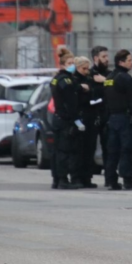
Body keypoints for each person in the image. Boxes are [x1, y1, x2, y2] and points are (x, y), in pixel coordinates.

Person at [104, 49, 132, 191]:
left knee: (113, 151)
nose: (131, 63)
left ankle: (111, 181)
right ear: (121, 62)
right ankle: (128, 180)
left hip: (112, 119)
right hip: (124, 119)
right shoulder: (126, 79)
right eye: (129, 60)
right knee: (126, 150)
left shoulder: (109, 78)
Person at [50, 48, 86, 190]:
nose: (72, 65)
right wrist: (76, 120)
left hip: (58, 119)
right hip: (66, 120)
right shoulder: (66, 80)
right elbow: (70, 103)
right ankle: (64, 180)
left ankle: (57, 179)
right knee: (66, 152)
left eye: (73, 62)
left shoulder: (56, 79)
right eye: (70, 62)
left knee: (58, 151)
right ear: (63, 65)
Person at [72, 57, 99, 189]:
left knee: (90, 149)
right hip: (80, 117)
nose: (86, 71)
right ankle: (76, 177)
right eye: (84, 68)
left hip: (90, 116)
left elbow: (94, 92)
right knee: (79, 150)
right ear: (77, 67)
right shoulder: (74, 80)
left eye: (88, 68)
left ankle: (87, 177)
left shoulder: (88, 78)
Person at [90, 46, 110, 185]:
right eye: (103, 57)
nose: (107, 59)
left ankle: (110, 179)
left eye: (107, 56)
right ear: (96, 58)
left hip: (106, 115)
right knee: (88, 148)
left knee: (109, 148)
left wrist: (105, 80)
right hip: (91, 116)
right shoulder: (89, 74)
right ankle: (85, 177)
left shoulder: (109, 74)